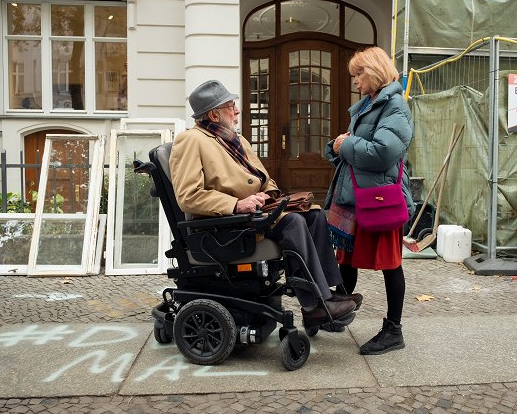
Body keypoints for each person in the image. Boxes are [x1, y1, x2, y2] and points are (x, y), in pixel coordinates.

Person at [169, 80, 362, 328]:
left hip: (255, 214)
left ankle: (328, 293)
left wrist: (270, 195)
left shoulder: (233, 140)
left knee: (314, 215)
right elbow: (188, 196)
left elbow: (263, 177)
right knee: (292, 222)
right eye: (231, 106)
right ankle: (314, 305)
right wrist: (237, 204)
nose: (237, 110)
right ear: (214, 114)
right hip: (225, 226)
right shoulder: (191, 140)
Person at [324, 47, 414, 355]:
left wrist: (347, 143)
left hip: (379, 198)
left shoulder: (396, 106)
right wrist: (335, 147)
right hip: (357, 196)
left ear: (373, 71)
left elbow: (381, 153)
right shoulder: (371, 104)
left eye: (358, 74)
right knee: (345, 257)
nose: (355, 82)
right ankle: (337, 314)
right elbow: (358, 148)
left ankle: (394, 331)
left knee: (391, 265)